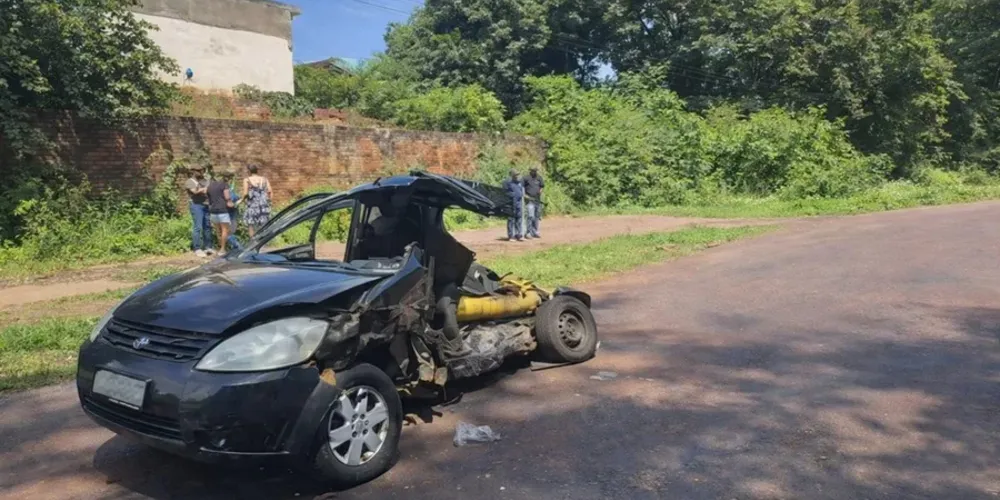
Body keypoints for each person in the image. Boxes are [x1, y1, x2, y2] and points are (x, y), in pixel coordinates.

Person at [184, 166, 213, 258]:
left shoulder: (203, 181)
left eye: (202, 170)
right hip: (196, 205)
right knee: (198, 226)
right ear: (193, 171)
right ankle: (197, 248)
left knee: (207, 226)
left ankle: (208, 247)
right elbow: (195, 191)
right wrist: (204, 189)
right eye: (199, 170)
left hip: (205, 204)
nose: (201, 172)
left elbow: (209, 189)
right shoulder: (189, 181)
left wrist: (205, 188)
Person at [206, 172, 235, 253]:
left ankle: (219, 247)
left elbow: (208, 199)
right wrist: (230, 202)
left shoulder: (210, 186)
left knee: (218, 231)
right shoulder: (224, 184)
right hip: (222, 210)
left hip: (213, 211)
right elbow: (227, 196)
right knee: (225, 230)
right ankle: (222, 249)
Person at [241, 164, 272, 237]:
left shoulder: (247, 180)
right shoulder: (265, 179)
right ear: (257, 170)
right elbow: (270, 191)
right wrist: (269, 201)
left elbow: (245, 193)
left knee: (251, 224)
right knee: (263, 224)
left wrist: (242, 200)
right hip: (263, 204)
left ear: (249, 171)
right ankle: (263, 242)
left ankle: (253, 243)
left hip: (252, 205)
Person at [222, 169, 242, 251]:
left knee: (232, 229)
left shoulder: (231, 186)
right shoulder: (225, 187)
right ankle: (237, 246)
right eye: (231, 177)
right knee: (229, 230)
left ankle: (234, 246)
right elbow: (231, 199)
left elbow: (235, 197)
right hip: (228, 211)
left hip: (232, 210)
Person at [502, 169, 524, 241]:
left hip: (518, 203)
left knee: (519, 219)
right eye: (515, 175)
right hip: (511, 204)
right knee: (511, 219)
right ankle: (511, 236)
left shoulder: (519, 182)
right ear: (512, 175)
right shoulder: (507, 182)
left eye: (517, 174)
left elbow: (520, 191)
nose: (517, 176)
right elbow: (504, 192)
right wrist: (513, 195)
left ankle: (519, 235)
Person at [522, 166, 545, 239]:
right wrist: (524, 195)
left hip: (537, 200)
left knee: (536, 216)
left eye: (535, 171)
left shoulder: (539, 178)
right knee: (530, 216)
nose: (534, 172)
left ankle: (535, 232)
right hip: (529, 200)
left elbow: (542, 186)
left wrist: (540, 191)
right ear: (530, 171)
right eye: (533, 171)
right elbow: (522, 187)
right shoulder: (526, 178)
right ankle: (528, 233)